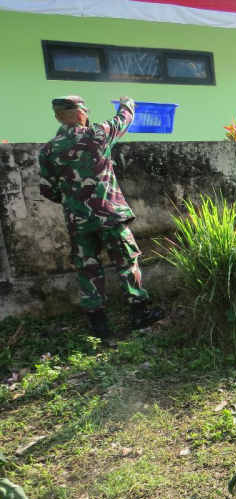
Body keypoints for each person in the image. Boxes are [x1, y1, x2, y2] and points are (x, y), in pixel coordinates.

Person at [39, 95, 163, 340]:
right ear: (81, 113)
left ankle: (99, 327)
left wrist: (74, 203)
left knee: (88, 270)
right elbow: (124, 119)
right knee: (127, 262)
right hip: (110, 215)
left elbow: (47, 190)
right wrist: (128, 102)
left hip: (78, 222)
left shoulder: (49, 150)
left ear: (57, 116)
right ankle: (139, 313)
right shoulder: (98, 133)